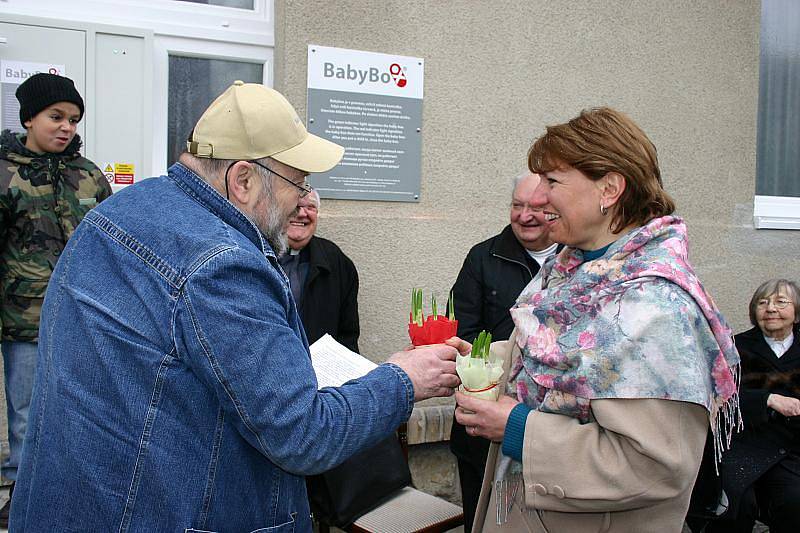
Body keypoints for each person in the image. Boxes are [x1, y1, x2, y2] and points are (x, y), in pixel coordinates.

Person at [9, 81, 459, 532]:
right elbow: (302, 435)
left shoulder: (119, 211)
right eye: (298, 184)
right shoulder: (223, 267)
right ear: (242, 180)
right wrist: (404, 379)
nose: (303, 202)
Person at [451, 107, 741, 533]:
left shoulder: (655, 307)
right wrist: (475, 358)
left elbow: (653, 467)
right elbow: (563, 357)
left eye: (552, 181)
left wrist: (517, 429)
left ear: (609, 189)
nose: (541, 195)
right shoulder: (574, 270)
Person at [0, 73, 111, 526]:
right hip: (24, 317)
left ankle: (71, 487)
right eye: (56, 116)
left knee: (80, 405)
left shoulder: (87, 175)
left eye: (74, 119)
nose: (66, 127)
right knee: (26, 411)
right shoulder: (5, 172)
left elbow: (109, 242)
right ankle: (24, 492)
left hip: (81, 316)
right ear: (29, 118)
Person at [448, 171, 557, 532]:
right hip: (483, 423)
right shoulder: (483, 257)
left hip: (549, 430)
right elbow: (461, 333)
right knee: (484, 521)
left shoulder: (577, 263)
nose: (525, 216)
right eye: (517, 205)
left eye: (537, 207)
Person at [703, 279, 800, 532]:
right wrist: (767, 400)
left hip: (793, 447)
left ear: (797, 310)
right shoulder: (734, 348)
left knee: (793, 502)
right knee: (735, 506)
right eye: (762, 302)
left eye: (781, 302)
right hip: (744, 443)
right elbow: (717, 396)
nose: (770, 309)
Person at [279, 190, 360, 352]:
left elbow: (347, 335)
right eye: (295, 206)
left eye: (310, 207)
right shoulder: (257, 255)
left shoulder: (337, 262)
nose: (302, 213)